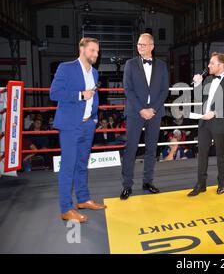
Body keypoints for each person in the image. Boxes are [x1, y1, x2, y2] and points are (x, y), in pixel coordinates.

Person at [49, 37, 106, 223]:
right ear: (81, 49)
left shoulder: (95, 73)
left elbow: (94, 98)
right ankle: (66, 208)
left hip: (88, 125)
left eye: (97, 51)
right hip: (70, 126)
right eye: (92, 50)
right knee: (68, 166)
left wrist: (94, 119)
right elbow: (54, 93)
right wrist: (80, 95)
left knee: (82, 165)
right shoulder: (66, 68)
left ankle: (83, 199)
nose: (96, 54)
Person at [120, 33, 169, 200]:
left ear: (152, 46)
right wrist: (142, 109)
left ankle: (148, 182)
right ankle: (127, 185)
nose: (139, 47)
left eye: (143, 44)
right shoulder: (130, 64)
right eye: (138, 44)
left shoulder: (162, 65)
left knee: (151, 149)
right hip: (135, 112)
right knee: (130, 149)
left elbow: (165, 90)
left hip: (155, 113)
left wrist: (153, 109)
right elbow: (128, 89)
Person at [187, 52, 224, 196]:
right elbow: (199, 99)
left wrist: (214, 113)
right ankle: (200, 184)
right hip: (204, 122)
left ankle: (222, 183)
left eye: (212, 63)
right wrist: (197, 84)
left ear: (221, 65)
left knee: (221, 154)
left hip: (219, 122)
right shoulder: (208, 79)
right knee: (202, 153)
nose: (208, 65)